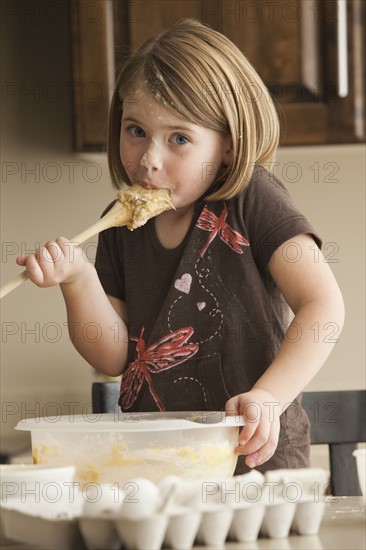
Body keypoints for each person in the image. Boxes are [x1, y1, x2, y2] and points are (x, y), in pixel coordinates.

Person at [17, 19, 345, 474]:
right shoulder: (118, 225)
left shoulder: (252, 198)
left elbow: (323, 306)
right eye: (136, 131)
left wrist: (269, 398)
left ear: (227, 146)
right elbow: (115, 355)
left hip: (256, 462)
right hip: (158, 467)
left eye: (179, 139)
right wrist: (77, 280)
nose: (149, 158)